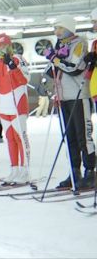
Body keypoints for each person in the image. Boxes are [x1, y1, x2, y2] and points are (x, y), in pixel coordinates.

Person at [43, 16, 95, 190]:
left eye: (59, 28)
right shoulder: (61, 46)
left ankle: (91, 172)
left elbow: (74, 68)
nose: (56, 32)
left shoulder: (79, 43)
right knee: (69, 138)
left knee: (83, 137)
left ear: (69, 28)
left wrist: (55, 60)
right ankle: (75, 172)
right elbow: (53, 70)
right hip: (63, 97)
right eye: (55, 28)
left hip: (79, 96)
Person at [0, 33, 31, 185]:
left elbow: (24, 80)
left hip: (18, 104)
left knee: (20, 137)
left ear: (10, 45)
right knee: (10, 138)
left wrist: (12, 66)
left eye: (4, 45)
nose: (2, 48)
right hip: (4, 106)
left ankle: (25, 170)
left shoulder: (18, 59)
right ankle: (14, 169)